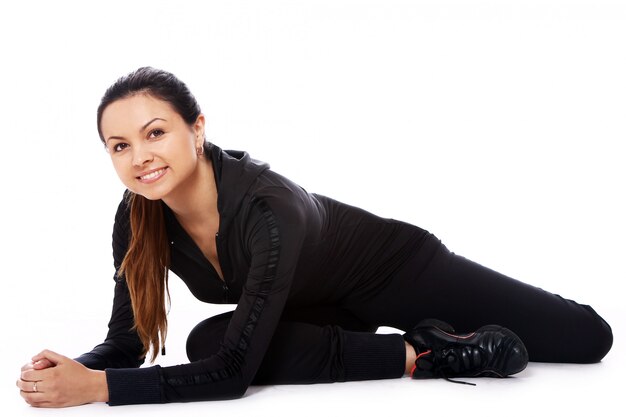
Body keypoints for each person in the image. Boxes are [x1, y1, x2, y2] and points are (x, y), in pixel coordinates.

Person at [17, 67, 612, 407]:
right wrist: (77, 367)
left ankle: (425, 331)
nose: (140, 157)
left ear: (197, 130)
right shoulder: (136, 219)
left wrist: (99, 389)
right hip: (317, 302)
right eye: (120, 146)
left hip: (398, 272)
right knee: (211, 339)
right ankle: (424, 353)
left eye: (154, 133)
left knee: (587, 338)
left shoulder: (267, 209)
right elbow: (125, 342)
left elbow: (233, 378)